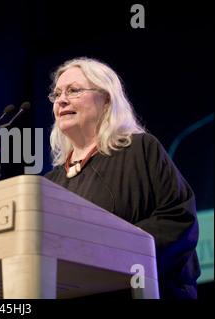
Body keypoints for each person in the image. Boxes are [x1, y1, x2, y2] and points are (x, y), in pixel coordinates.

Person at [44, 57, 200, 299]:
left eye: (73, 90)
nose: (62, 100)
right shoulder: (50, 183)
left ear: (106, 99)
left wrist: (118, 248)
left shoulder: (139, 150)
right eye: (57, 94)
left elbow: (178, 218)